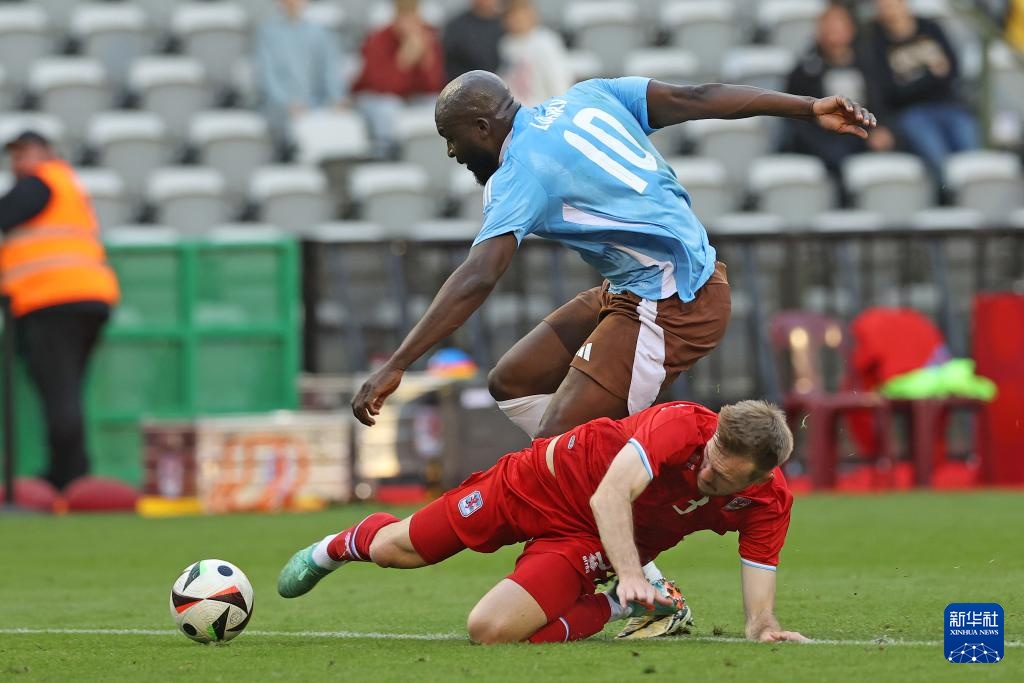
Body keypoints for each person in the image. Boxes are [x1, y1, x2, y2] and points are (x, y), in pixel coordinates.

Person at [351, 71, 876, 439]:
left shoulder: (518, 173)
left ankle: (650, 562)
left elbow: (479, 276)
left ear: (483, 129)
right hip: (641, 288)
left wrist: (398, 363)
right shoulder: (589, 96)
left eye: (452, 138)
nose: (451, 153)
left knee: (558, 446)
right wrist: (807, 107)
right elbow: (697, 97)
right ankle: (621, 473)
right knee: (513, 383)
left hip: (672, 304)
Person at [279, 400, 806, 644]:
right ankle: (337, 547)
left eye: (721, 475)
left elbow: (759, 584)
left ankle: (621, 604)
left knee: (492, 632)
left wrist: (765, 629)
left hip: (588, 541)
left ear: (760, 477)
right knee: (402, 549)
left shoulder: (768, 503)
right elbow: (611, 495)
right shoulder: (682, 425)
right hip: (534, 484)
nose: (705, 469)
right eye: (710, 454)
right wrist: (631, 568)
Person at [0, 131, 119, 491]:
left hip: (52, 299)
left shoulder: (40, 183)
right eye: (15, 158)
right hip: (88, 296)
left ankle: (67, 476)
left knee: (59, 388)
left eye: (26, 155)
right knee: (66, 387)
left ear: (47, 154)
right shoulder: (69, 187)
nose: (20, 164)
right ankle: (72, 469)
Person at [862, 0, 978, 181]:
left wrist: (911, 83)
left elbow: (953, 70)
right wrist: (931, 76)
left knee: (971, 156)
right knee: (938, 158)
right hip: (911, 113)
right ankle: (948, 199)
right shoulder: (874, 42)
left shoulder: (931, 28)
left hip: (949, 105)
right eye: (883, 4)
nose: (889, 9)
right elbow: (890, 90)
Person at [785, 3, 889, 175]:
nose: (833, 32)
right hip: (824, 140)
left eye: (838, 25)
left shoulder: (869, 65)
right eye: (828, 26)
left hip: (863, 135)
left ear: (850, 29)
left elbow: (883, 103)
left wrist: (882, 128)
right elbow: (795, 118)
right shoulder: (805, 71)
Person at [352, 0, 445, 155]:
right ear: (396, 18)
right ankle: (388, 154)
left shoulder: (427, 38)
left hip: (412, 99)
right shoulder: (378, 39)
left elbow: (434, 86)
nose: (411, 25)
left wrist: (426, 59)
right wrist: (405, 58)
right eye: (405, 18)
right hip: (373, 99)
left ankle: (431, 153)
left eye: (414, 19)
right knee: (389, 107)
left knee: (437, 104)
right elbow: (383, 87)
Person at [253, 0, 349, 151]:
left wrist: (336, 98)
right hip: (280, 110)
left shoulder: (320, 33)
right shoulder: (267, 33)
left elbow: (330, 71)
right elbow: (267, 78)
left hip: (316, 105)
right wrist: (287, 104)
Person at [499, 0, 573, 107]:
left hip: (541, 108)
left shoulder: (545, 41)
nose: (516, 20)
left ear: (531, 15)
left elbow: (557, 78)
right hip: (517, 111)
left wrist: (560, 107)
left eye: (520, 15)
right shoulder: (506, 44)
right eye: (510, 16)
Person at [442, 0, 504, 84]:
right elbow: (449, 64)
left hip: (503, 85)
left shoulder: (506, 23)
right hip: (467, 88)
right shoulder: (456, 26)